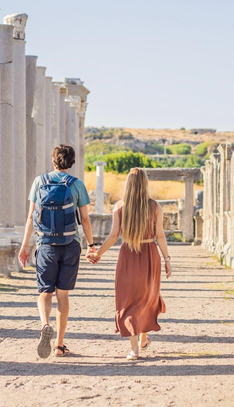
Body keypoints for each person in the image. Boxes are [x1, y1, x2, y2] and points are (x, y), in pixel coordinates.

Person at [19, 145, 96, 358]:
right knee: (63, 294)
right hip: (70, 244)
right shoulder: (77, 184)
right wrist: (91, 245)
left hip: (45, 245)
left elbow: (30, 217)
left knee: (45, 292)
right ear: (71, 162)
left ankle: (45, 325)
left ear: (53, 160)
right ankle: (60, 345)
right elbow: (86, 220)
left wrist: (25, 245)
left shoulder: (39, 182)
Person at [89, 167, 172, 360]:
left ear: (129, 184)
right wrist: (167, 260)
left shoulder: (119, 207)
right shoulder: (155, 207)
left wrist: (97, 253)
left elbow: (113, 236)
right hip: (150, 255)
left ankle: (136, 348)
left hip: (128, 256)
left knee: (128, 301)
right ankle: (142, 339)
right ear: (145, 184)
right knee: (148, 298)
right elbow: (160, 236)